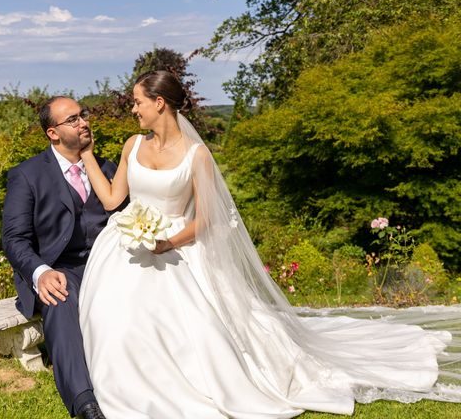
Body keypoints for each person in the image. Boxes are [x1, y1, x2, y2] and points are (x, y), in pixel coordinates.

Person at [78, 70, 461, 418]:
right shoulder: (132, 145)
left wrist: (167, 242)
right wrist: (88, 156)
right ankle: (128, 382)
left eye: (138, 102)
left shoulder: (197, 155)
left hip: (175, 247)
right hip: (126, 244)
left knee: (199, 329)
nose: (133, 109)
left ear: (159, 103)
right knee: (118, 317)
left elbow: (208, 219)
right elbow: (113, 200)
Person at [2, 96, 124, 419]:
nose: (83, 122)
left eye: (83, 115)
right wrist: (40, 272)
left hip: (106, 265)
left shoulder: (107, 169)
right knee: (60, 298)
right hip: (57, 269)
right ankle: (85, 404)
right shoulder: (26, 176)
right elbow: (14, 239)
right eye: (72, 119)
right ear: (52, 133)